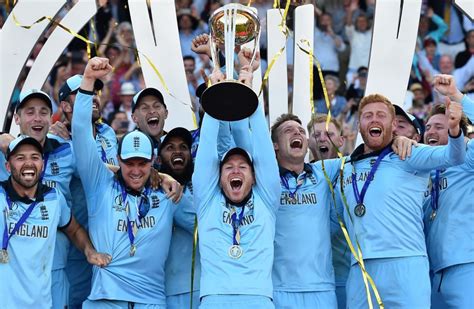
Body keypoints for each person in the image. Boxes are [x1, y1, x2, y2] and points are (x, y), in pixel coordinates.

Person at [335, 93, 465, 308]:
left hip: (405, 263)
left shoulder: (409, 153)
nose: (374, 119)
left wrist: (454, 130)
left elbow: (454, 156)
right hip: (361, 268)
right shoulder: (342, 166)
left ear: (393, 124)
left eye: (381, 115)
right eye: (368, 116)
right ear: (359, 124)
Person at [72, 57, 180, 308]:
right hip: (105, 299)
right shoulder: (99, 185)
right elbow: (80, 133)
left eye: (142, 163)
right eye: (129, 163)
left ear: (153, 160)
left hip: (151, 301)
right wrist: (88, 80)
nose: (135, 170)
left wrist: (165, 177)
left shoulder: (167, 192)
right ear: (118, 160)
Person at [193, 64, 280, 308]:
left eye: (243, 166)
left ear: (254, 176)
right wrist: (213, 96)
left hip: (259, 299)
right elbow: (207, 147)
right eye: (228, 166)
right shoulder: (206, 199)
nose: (235, 170)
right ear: (219, 177)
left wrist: (250, 97)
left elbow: (263, 149)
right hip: (214, 300)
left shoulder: (267, 199)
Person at [0, 136, 110, 308]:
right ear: (8, 166)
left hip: (41, 303)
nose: (28, 163)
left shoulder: (54, 198)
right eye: (20, 158)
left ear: (42, 165)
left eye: (35, 157)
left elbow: (73, 229)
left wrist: (90, 251)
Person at [0, 89, 78, 309]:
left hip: (55, 264)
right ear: (17, 118)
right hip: (12, 270)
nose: (37, 118)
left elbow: (99, 172)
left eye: (43, 112)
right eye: (29, 112)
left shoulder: (65, 149)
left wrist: (159, 174)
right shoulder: (4, 151)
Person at [53, 74, 119, 308]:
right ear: (65, 106)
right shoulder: (55, 141)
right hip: (76, 244)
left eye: (94, 92)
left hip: (111, 241)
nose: (92, 98)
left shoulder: (108, 133)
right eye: (83, 94)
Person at [270, 113, 341, 309]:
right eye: (289, 131)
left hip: (322, 289)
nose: (297, 133)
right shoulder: (264, 178)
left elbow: (363, 158)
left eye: (301, 131)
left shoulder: (324, 171)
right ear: (275, 145)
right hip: (279, 289)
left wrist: (399, 141)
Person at [423, 74, 474, 308]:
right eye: (427, 127)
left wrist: (455, 96)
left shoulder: (468, 157)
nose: (431, 132)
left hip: (466, 267)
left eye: (439, 127)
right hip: (431, 274)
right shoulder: (421, 171)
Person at [307, 114, 349, 309]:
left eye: (329, 133)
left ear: (341, 140)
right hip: (311, 281)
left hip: (346, 277)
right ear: (308, 142)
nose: (323, 138)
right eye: (316, 134)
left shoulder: (354, 172)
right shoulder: (298, 178)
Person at [161, 127, 201, 309]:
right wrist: (159, 177)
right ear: (158, 156)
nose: (177, 151)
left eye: (183, 147)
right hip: (166, 291)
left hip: (203, 288)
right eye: (170, 147)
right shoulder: (152, 188)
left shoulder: (203, 186)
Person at [131, 87, 168, 153]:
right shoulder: (129, 146)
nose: (152, 111)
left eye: (157, 106)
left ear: (166, 113)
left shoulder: (176, 143)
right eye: (145, 108)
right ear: (134, 118)